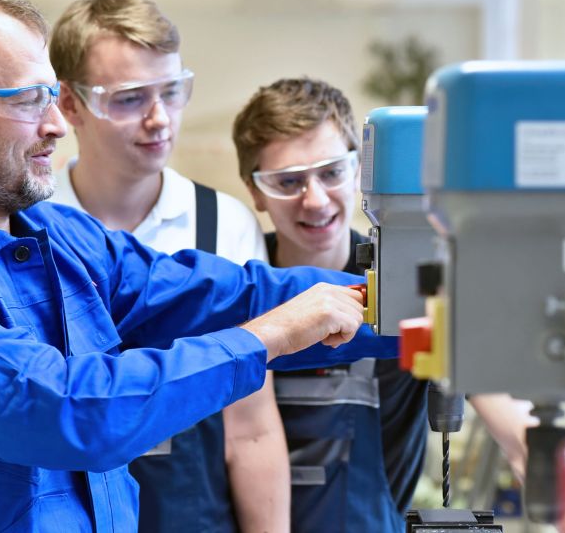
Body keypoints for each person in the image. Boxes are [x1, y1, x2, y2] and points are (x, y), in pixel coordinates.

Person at [0, 0, 395, 531]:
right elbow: (65, 412)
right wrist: (270, 335)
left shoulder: (64, 237)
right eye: (31, 99)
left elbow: (228, 296)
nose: (58, 125)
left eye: (54, 96)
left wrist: (429, 308)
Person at [232, 78, 544, 532]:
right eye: (288, 181)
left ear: (361, 170)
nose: (315, 198)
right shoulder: (230, 293)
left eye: (331, 172)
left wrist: (539, 457)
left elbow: (493, 390)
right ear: (256, 191)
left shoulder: (410, 279)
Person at [48, 0, 288, 530]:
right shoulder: (28, 228)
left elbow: (250, 428)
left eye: (172, 91)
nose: (160, 119)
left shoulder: (222, 224)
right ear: (68, 105)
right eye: (131, 98)